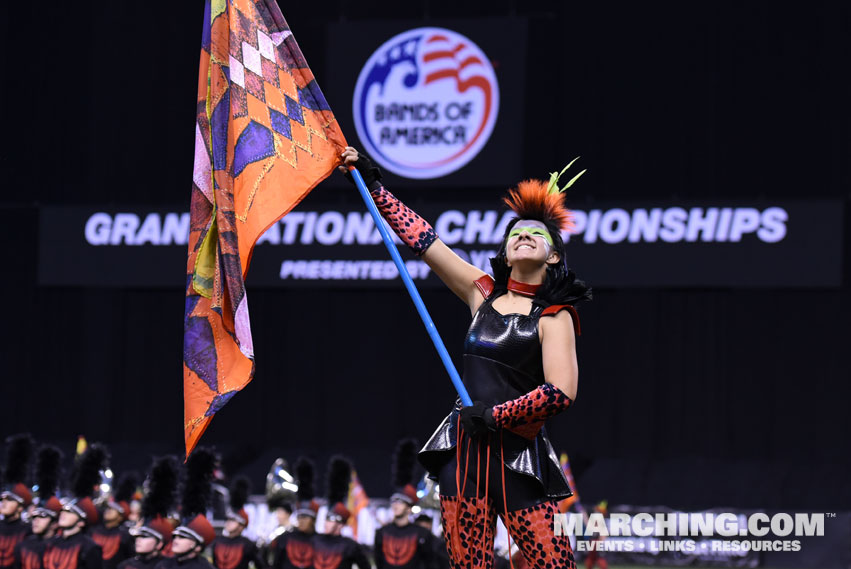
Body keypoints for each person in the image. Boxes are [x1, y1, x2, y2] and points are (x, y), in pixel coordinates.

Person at [342, 149, 592, 569]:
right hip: (464, 454)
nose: (524, 235)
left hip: (518, 458)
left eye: (537, 234)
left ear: (553, 257)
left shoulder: (554, 317)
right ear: (506, 252)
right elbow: (423, 239)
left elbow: (561, 392)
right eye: (515, 233)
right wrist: (376, 188)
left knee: (554, 563)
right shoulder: (481, 293)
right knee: (467, 564)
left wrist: (496, 415)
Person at [43, 444, 107, 569]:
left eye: (70, 512)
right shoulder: (50, 543)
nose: (63, 514)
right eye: (64, 510)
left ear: (81, 522)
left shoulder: (90, 548)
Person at [373, 441, 434, 569]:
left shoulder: (422, 534)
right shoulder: (382, 532)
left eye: (401, 502)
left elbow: (429, 563)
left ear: (409, 507)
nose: (395, 505)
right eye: (394, 501)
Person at [156, 449, 217, 569]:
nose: (176, 540)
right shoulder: (163, 565)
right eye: (176, 536)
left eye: (183, 537)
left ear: (198, 546)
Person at [118, 456, 180, 569]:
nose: (138, 540)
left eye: (145, 536)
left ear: (160, 543)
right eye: (139, 536)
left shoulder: (169, 566)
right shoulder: (124, 565)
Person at [310, 457, 369, 569]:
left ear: (341, 524)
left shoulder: (350, 546)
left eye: (331, 520)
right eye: (327, 519)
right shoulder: (314, 540)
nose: (326, 523)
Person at [15, 445, 63, 569]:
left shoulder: (64, 547)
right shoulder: (23, 545)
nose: (35, 520)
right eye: (35, 515)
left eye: (42, 516)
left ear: (55, 523)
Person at [270, 458, 317, 569]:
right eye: (299, 517)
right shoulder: (284, 539)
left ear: (313, 519)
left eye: (305, 518)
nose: (301, 521)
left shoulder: (321, 541)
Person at [212, 477, 265, 569]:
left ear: (242, 525)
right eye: (228, 519)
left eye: (232, 520)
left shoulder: (248, 545)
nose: (228, 522)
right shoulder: (217, 542)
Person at [1, 434, 34, 569]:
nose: (3, 502)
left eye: (9, 499)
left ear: (20, 507)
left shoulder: (29, 530)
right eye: (2, 499)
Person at [91, 473, 137, 569]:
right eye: (108, 508)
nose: (108, 511)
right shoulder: (94, 530)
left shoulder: (125, 536)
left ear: (121, 516)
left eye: (112, 509)